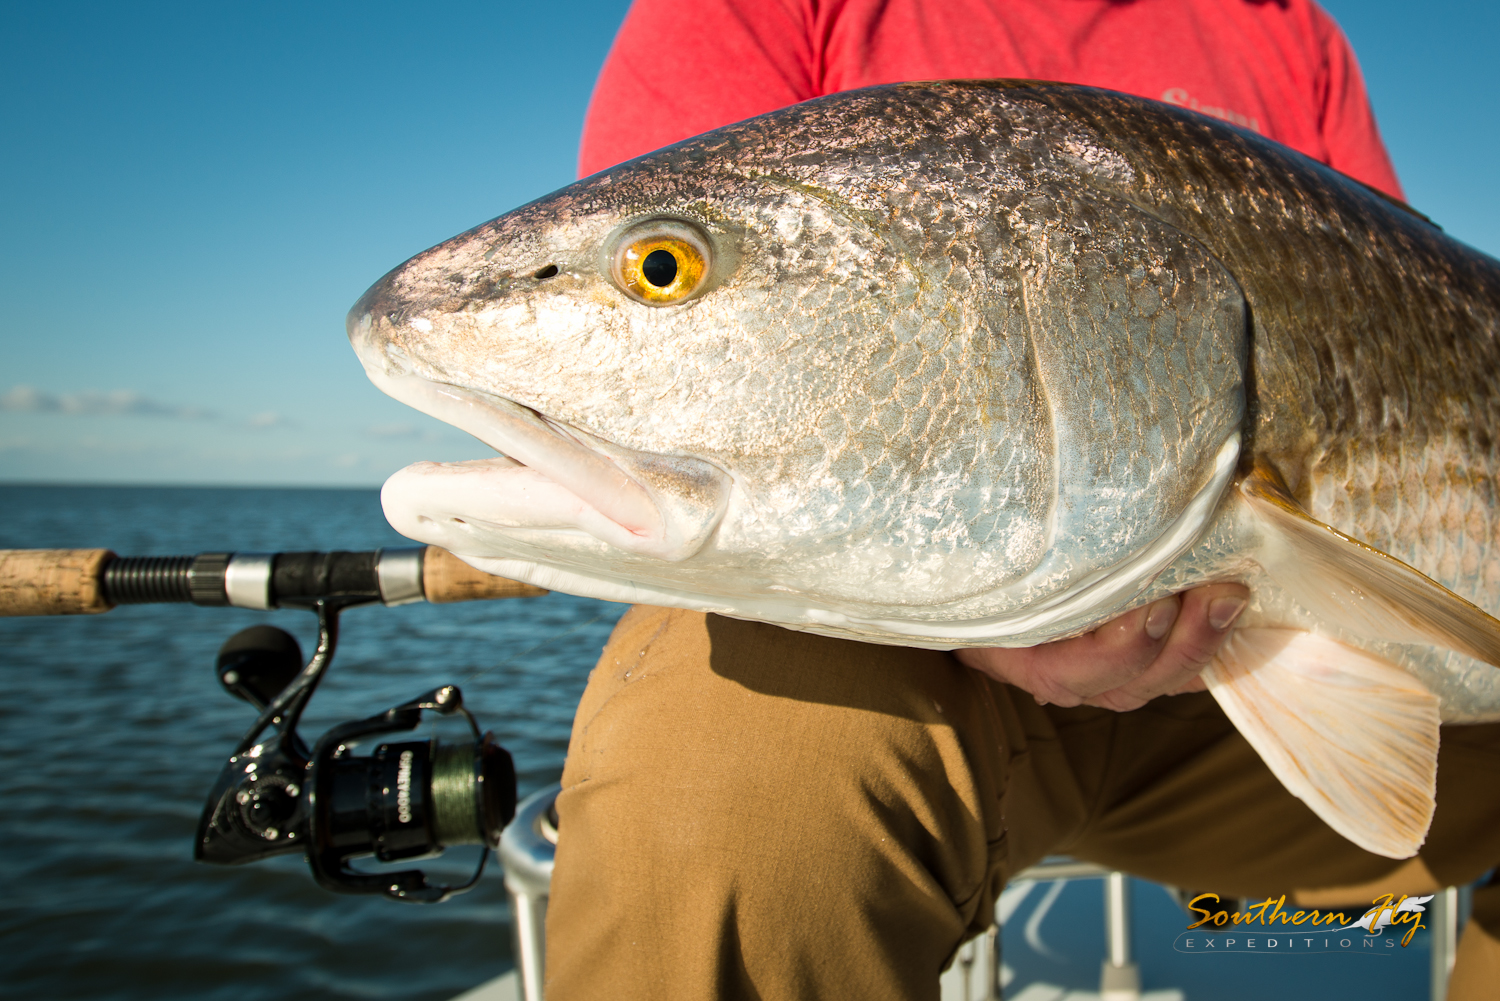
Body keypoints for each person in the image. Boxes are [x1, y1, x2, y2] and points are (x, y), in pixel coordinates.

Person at [545, 3, 1500, 998]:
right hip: (905, 665)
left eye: (665, 263)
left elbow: (1395, 290)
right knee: (721, 761)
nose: (662, 273)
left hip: (1258, 659)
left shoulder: (1287, 27)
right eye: (664, 269)